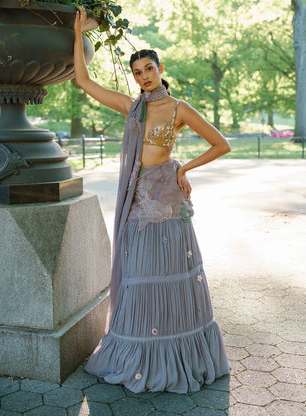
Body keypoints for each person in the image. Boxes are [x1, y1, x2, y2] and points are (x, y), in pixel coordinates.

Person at [74, 6, 231, 394]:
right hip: (138, 200)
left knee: (171, 276)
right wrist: (76, 34)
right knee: (138, 277)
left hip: (168, 202)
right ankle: (138, 353)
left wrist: (183, 168)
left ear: (160, 68)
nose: (144, 76)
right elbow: (83, 81)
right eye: (137, 72)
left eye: (149, 68)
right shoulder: (131, 107)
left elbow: (220, 144)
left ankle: (178, 355)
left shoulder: (178, 108)